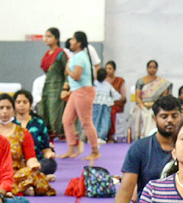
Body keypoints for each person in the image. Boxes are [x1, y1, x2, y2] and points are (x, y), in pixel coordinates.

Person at [105, 96, 182, 203]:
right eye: (164, 116)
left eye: (174, 116)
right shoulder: (140, 147)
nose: (169, 120)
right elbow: (127, 188)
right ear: (155, 118)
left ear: (181, 116)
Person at [0, 93, 55, 197]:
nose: (4, 111)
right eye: (1, 108)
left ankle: (13, 189)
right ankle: (21, 188)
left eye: (8, 108)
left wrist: (34, 165)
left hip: (17, 173)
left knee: (33, 174)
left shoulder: (23, 132)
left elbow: (30, 158)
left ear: (13, 111)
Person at [59, 31, 100, 161]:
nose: (70, 42)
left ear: (79, 43)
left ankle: (95, 150)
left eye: (72, 40)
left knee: (86, 121)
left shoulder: (80, 57)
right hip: (76, 91)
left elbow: (77, 76)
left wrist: (67, 70)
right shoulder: (78, 56)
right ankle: (71, 148)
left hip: (83, 91)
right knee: (67, 120)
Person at [14, 89, 57, 174]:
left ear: (30, 104)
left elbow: (46, 148)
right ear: (14, 105)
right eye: (18, 102)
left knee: (50, 164)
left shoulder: (39, 123)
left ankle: (28, 174)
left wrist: (49, 154)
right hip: (15, 162)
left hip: (36, 161)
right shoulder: (10, 123)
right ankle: (34, 175)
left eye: (25, 102)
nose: (21, 105)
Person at [39, 28, 68, 138]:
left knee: (55, 112)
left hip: (57, 87)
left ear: (56, 39)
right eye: (45, 36)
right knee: (44, 111)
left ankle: (60, 135)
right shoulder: (47, 54)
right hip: (47, 86)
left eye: (49, 36)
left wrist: (65, 89)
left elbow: (67, 73)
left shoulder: (61, 54)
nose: (46, 39)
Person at [132, 60, 172, 138]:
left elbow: (164, 98)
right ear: (147, 68)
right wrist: (143, 106)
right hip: (143, 105)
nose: (152, 69)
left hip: (156, 105)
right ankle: (141, 137)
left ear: (157, 69)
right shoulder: (141, 81)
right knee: (141, 112)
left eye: (154, 67)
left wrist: (155, 105)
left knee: (155, 112)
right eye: (150, 67)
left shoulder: (162, 83)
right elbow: (138, 97)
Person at [92, 66, 123, 142]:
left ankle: (93, 137)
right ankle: (101, 137)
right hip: (106, 105)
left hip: (95, 104)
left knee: (94, 120)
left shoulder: (93, 84)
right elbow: (116, 95)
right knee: (105, 120)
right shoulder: (107, 85)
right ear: (105, 76)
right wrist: (112, 99)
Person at [104, 61, 126, 141]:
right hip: (104, 104)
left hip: (115, 104)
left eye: (110, 69)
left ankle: (111, 135)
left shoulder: (120, 81)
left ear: (114, 70)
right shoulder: (102, 81)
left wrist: (113, 101)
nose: (108, 70)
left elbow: (123, 97)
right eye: (106, 68)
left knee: (111, 111)